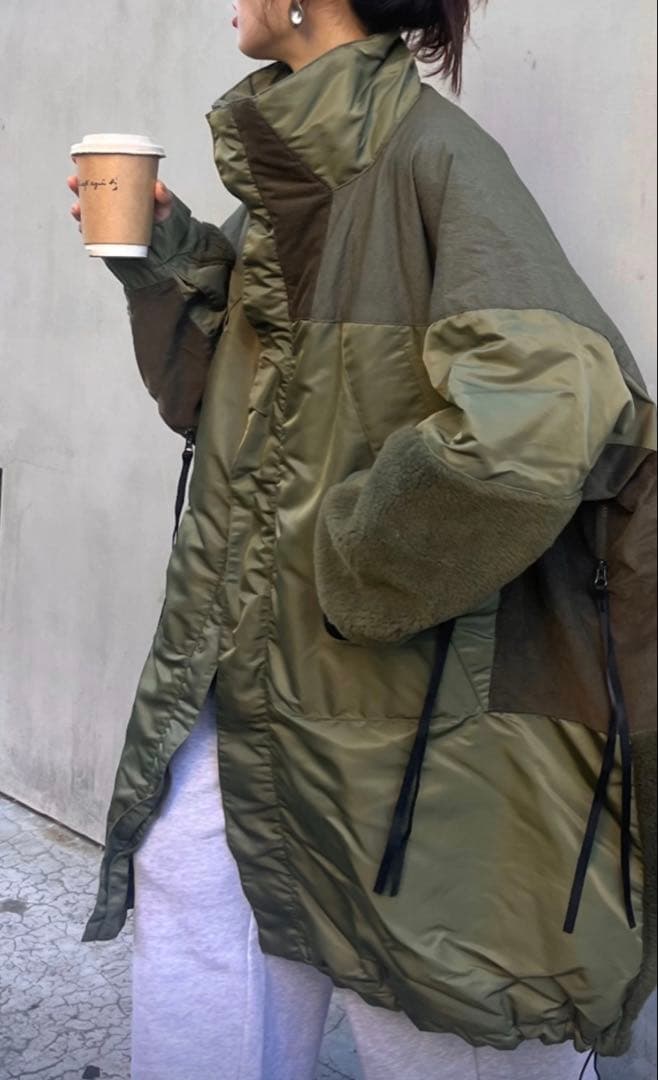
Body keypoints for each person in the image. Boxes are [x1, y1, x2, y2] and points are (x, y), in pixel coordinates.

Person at [69, 2, 657, 1078]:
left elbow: (546, 410)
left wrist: (353, 562)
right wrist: (166, 261)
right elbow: (228, 409)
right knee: (198, 898)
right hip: (243, 664)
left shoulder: (432, 158)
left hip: (391, 693)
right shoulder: (296, 166)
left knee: (416, 987)